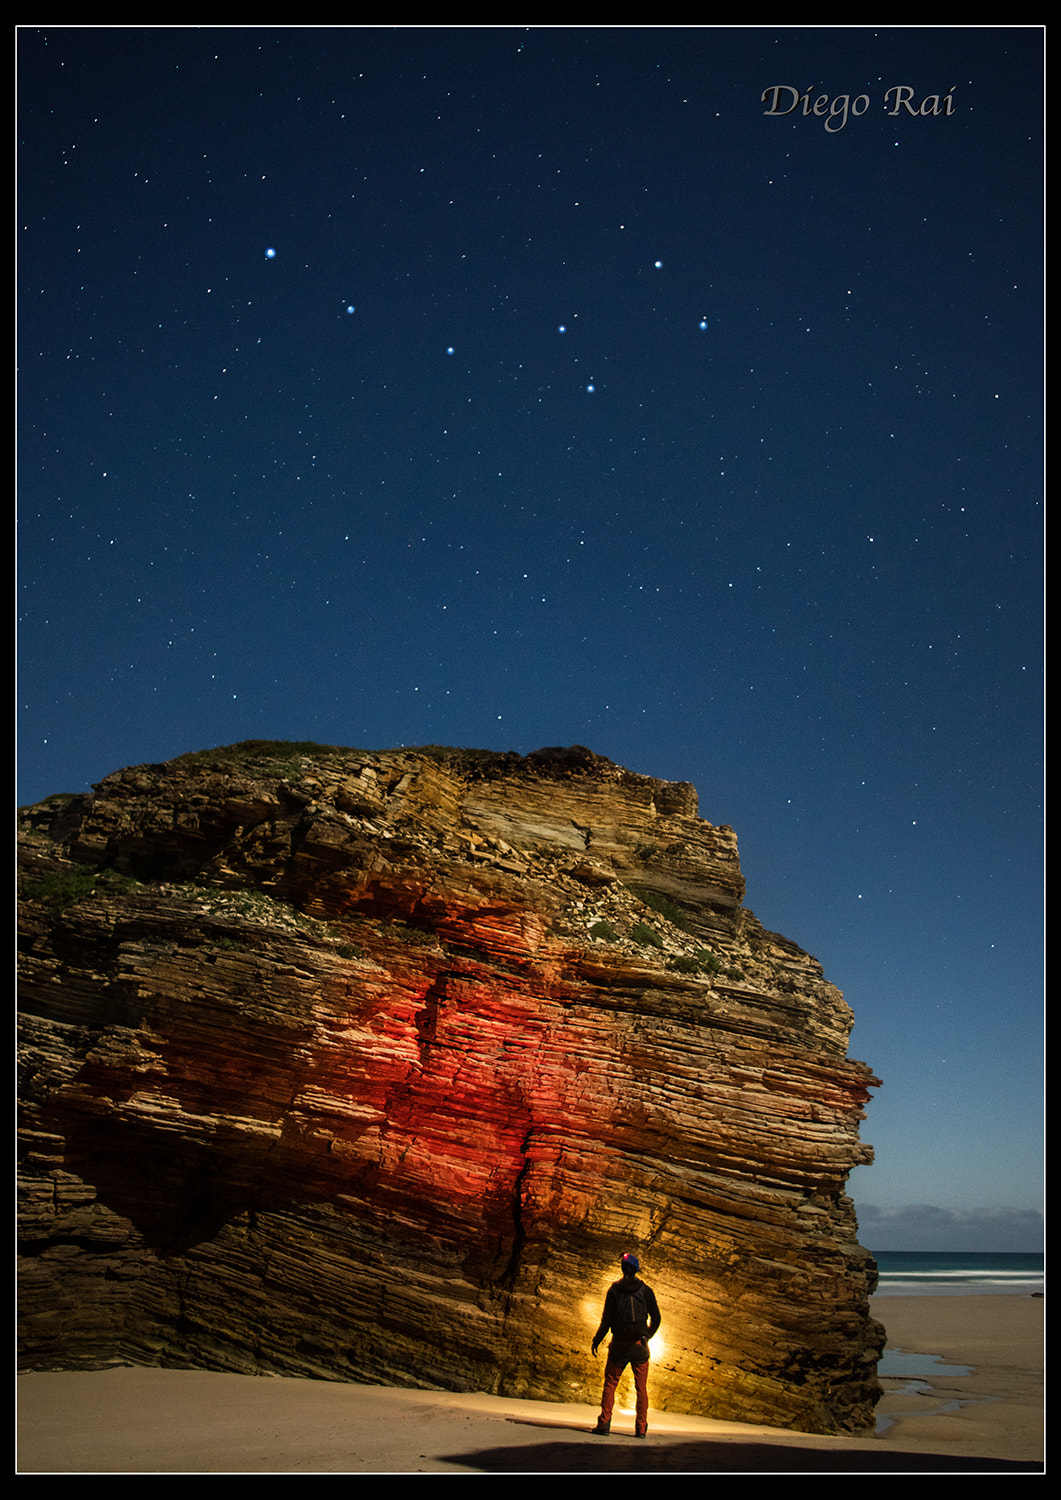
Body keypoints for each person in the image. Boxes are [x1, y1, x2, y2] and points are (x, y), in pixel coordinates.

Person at [590, 1252, 661, 1438]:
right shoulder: (646, 1291)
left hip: (619, 1346)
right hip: (639, 1346)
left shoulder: (614, 1290)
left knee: (611, 1384)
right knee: (641, 1389)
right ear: (636, 1269)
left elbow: (606, 1321)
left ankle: (604, 1424)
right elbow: (657, 1318)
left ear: (622, 1268)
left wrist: (596, 1340)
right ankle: (641, 1428)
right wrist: (647, 1336)